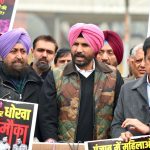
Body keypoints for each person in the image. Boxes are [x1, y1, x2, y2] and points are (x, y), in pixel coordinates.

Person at [39, 23, 124, 143]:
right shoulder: (56, 75)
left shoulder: (112, 76)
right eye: (75, 44)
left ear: (95, 48)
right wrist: (50, 139)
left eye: (85, 45)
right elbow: (47, 115)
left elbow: (119, 115)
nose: (78, 50)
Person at [0, 28, 42, 141]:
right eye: (13, 51)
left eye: (23, 51)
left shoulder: (38, 83)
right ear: (3, 54)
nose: (19, 56)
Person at [111, 36, 150, 142]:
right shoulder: (127, 90)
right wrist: (122, 134)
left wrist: (148, 129)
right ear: (145, 60)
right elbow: (116, 125)